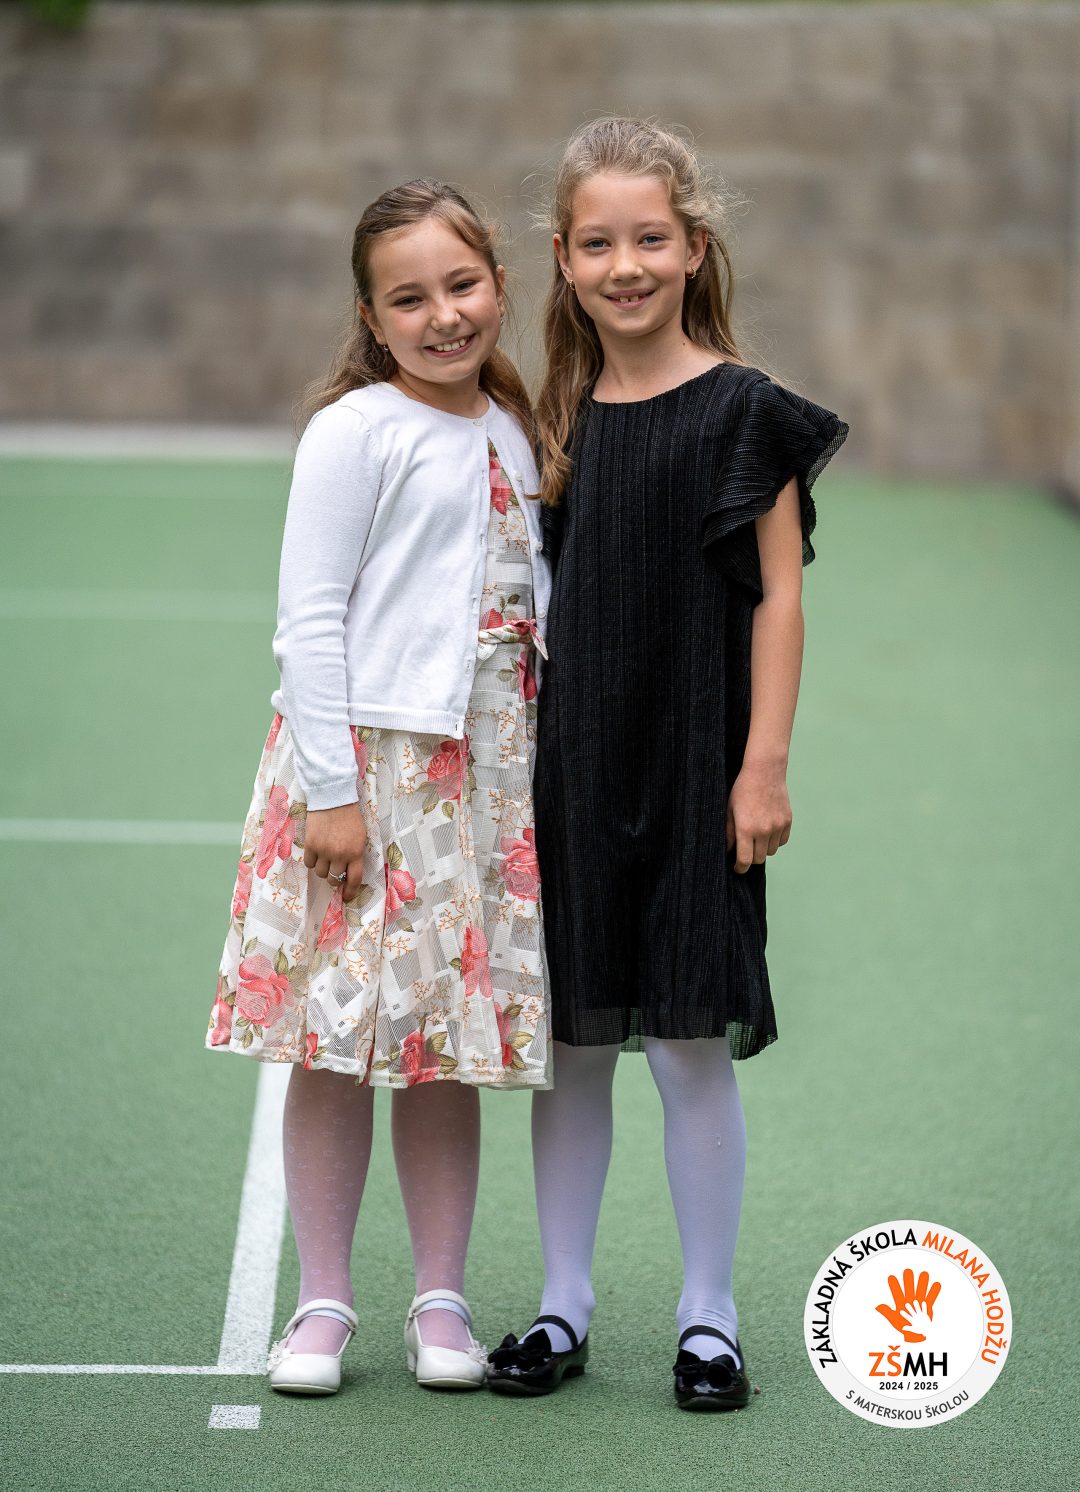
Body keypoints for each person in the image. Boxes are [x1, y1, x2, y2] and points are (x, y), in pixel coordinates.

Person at [485, 118, 850, 1410]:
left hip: (701, 770)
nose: (625, 264)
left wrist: (764, 764)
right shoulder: (557, 417)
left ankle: (709, 1317)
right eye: (599, 243)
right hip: (575, 773)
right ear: (564, 258)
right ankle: (562, 1304)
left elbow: (781, 596)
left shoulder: (747, 411)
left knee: (692, 1042)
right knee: (576, 1044)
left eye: (650, 238)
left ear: (695, 247)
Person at [205, 179, 552, 1396]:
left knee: (444, 1047)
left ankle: (441, 1303)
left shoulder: (517, 425)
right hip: (368, 775)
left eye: (462, 285)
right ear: (370, 314)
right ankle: (323, 1304)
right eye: (410, 299)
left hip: (487, 778)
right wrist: (331, 793)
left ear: (499, 283)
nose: (443, 315)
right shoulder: (354, 431)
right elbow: (309, 621)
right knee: (334, 1037)